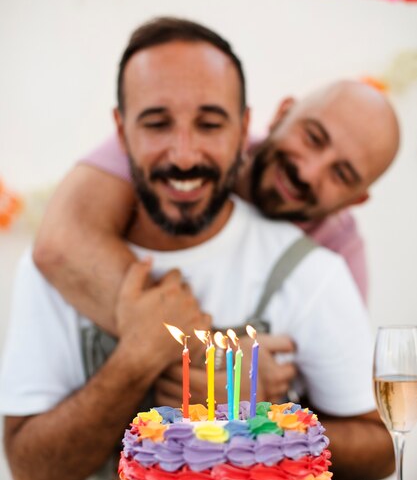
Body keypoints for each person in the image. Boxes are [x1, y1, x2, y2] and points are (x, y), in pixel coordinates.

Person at [0, 18, 394, 480]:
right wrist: (139, 358)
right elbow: (32, 478)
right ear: (121, 132)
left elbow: (377, 442)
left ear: (239, 130)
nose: (184, 153)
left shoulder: (321, 263)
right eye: (157, 123)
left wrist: (260, 419)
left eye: (210, 124)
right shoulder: (63, 256)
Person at [32, 80, 400, 326]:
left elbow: (333, 396)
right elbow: (60, 245)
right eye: (313, 138)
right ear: (282, 113)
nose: (308, 171)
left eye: (342, 174)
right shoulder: (192, 146)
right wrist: (216, 364)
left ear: (356, 199)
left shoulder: (338, 260)